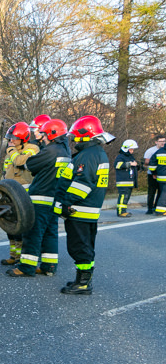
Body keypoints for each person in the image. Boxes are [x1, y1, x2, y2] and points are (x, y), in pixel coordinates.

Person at [53, 115, 113, 295]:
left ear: (86, 135)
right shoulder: (96, 153)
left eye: (77, 136)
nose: (74, 139)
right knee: (85, 247)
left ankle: (84, 284)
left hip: (79, 210)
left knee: (80, 247)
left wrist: (66, 202)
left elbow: (83, 184)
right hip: (88, 210)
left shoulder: (88, 155)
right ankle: (82, 280)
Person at [6, 118, 71, 277]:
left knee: (32, 233)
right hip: (54, 198)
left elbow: (30, 165)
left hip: (41, 197)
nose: (42, 138)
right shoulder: (65, 151)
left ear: (52, 135)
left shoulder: (51, 150)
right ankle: (49, 267)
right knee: (50, 234)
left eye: (44, 135)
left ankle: (26, 268)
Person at [0, 121, 40, 265]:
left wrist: (11, 150)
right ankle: (13, 256)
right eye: (9, 138)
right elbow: (5, 172)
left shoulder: (32, 148)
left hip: (24, 194)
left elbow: (20, 161)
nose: (11, 141)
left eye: (13, 138)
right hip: (9, 194)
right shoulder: (10, 152)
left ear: (23, 138)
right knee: (10, 227)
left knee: (21, 227)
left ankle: (22, 257)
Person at [114, 140, 138, 217]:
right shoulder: (120, 157)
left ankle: (124, 210)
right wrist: (130, 164)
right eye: (131, 149)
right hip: (123, 181)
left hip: (129, 181)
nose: (132, 151)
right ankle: (121, 211)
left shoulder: (130, 157)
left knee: (126, 197)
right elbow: (117, 165)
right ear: (126, 149)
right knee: (123, 196)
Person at [144, 135, 166, 214]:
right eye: (161, 141)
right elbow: (147, 162)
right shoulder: (151, 151)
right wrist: (154, 172)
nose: (163, 143)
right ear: (156, 142)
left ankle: (157, 207)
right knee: (152, 192)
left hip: (160, 175)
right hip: (152, 174)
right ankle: (150, 208)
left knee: (161, 192)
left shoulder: (161, 151)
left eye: (164, 141)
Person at [151, 139, 166, 214]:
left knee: (162, 192)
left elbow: (152, 164)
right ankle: (160, 210)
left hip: (160, 177)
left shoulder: (159, 151)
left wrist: (154, 173)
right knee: (164, 194)